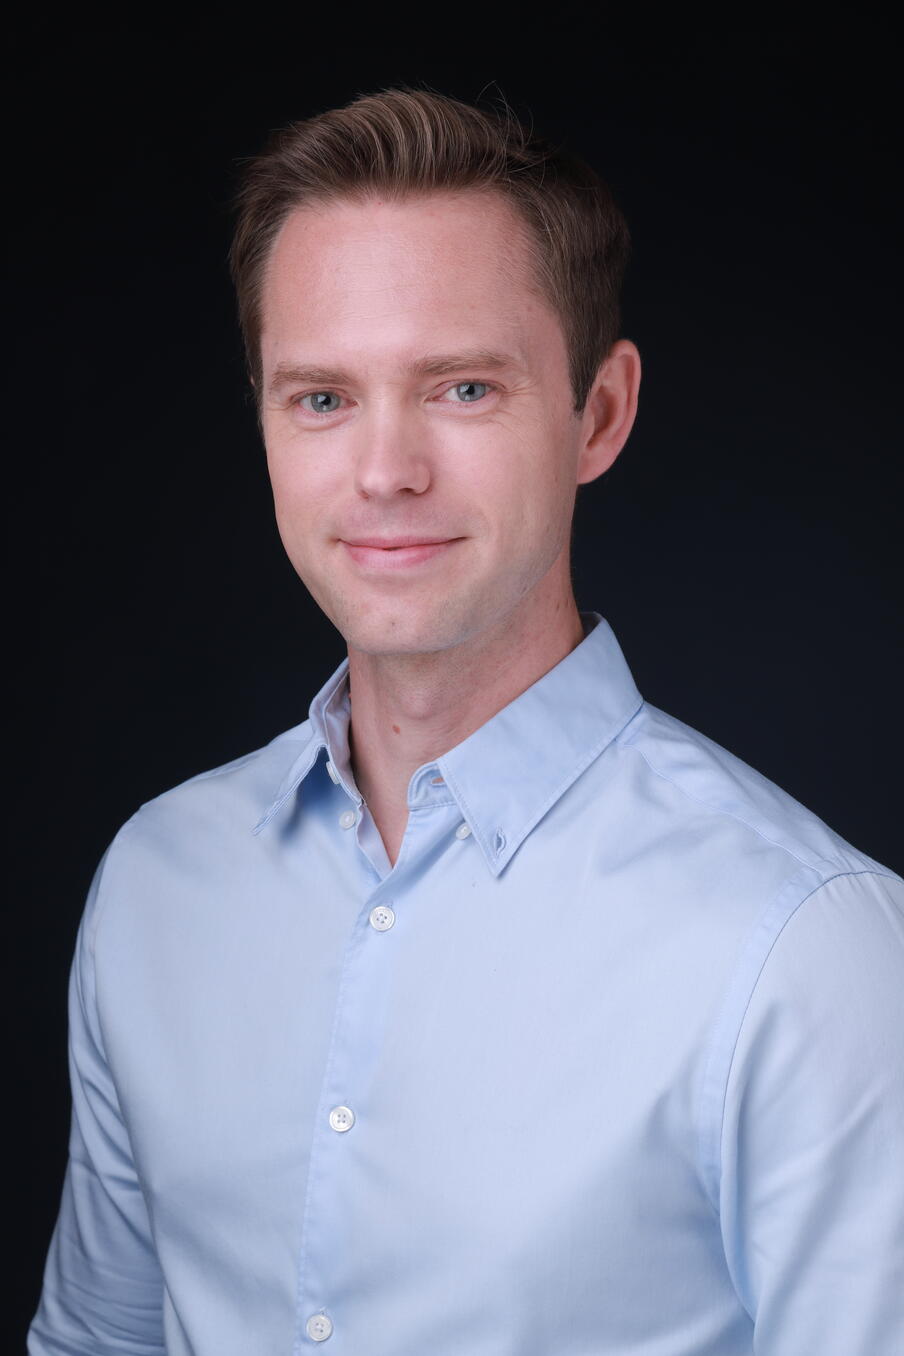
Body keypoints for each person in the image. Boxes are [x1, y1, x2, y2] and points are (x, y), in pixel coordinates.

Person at [29, 86, 903, 1356]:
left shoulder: (810, 957)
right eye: (321, 398)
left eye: (462, 390)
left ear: (597, 414)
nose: (385, 470)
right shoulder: (158, 883)